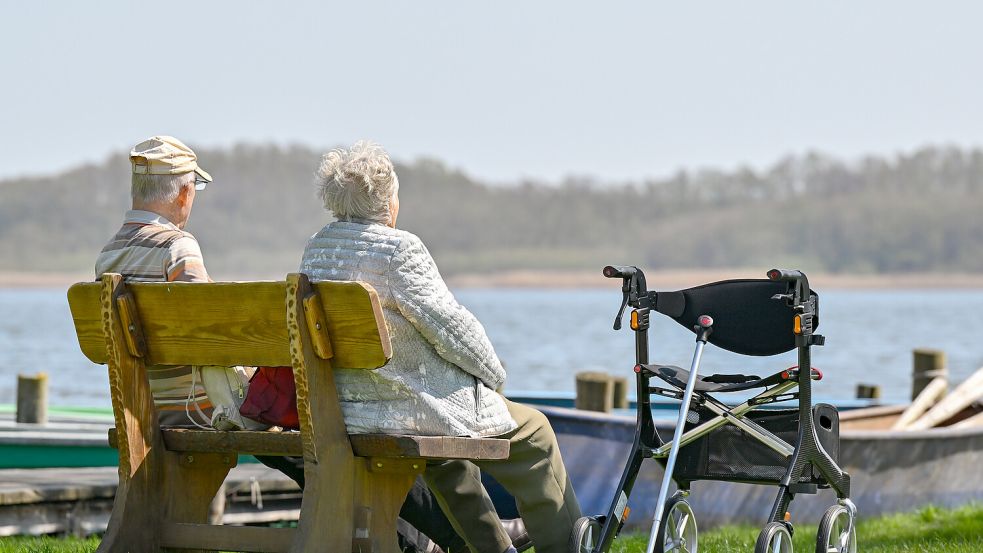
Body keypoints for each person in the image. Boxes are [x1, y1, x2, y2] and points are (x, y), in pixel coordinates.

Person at [95, 135, 477, 553]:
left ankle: (413, 539)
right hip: (200, 411)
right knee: (309, 437)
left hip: (143, 412)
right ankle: (448, 539)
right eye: (195, 191)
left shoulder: (108, 255)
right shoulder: (178, 248)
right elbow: (210, 342)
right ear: (184, 193)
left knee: (304, 432)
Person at [300, 140, 582, 553]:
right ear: (387, 201)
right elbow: (453, 330)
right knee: (536, 434)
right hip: (402, 411)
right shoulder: (399, 250)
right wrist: (494, 376)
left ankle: (491, 548)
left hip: (343, 410)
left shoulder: (317, 250)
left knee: (447, 453)